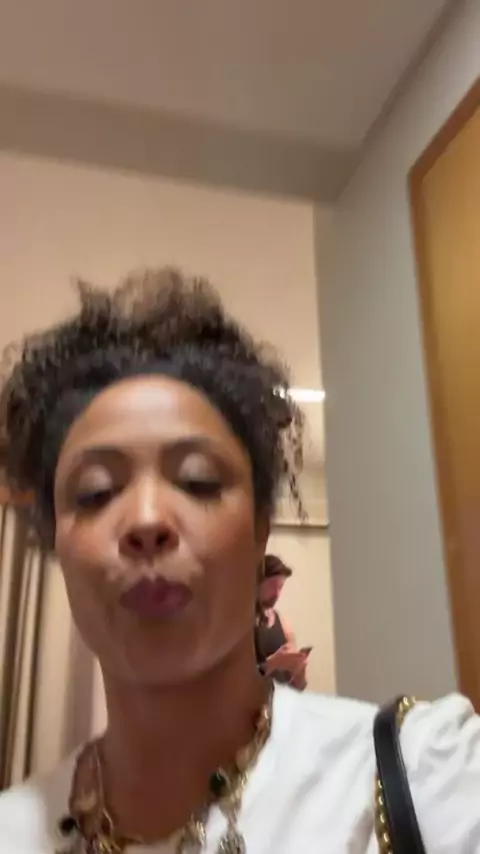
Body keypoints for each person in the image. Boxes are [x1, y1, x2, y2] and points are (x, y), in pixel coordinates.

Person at [0, 267, 478, 854]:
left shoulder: (427, 774)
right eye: (96, 492)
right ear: (56, 543)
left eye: (198, 481)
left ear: (260, 530)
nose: (147, 520)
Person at [255, 555, 308, 689]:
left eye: (280, 587)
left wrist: (300, 672)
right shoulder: (240, 625)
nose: (277, 594)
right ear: (257, 583)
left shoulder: (283, 623)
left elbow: (299, 687)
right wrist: (273, 663)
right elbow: (239, 682)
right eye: (272, 587)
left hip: (282, 699)